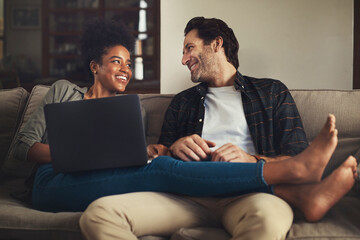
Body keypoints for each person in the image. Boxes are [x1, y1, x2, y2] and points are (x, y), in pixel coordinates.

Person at [79, 17, 357, 240]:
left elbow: (298, 160)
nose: (183, 59)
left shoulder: (272, 93)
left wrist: (251, 159)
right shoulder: (183, 102)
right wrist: (174, 147)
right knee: (99, 214)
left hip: (251, 196)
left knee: (268, 222)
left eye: (189, 48)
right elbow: (158, 160)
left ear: (216, 43)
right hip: (185, 196)